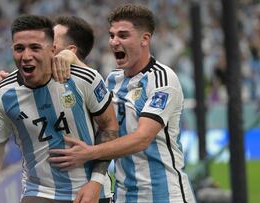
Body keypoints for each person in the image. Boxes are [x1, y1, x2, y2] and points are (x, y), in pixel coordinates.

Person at [0, 14, 118, 203]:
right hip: (39, 192)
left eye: (35, 48)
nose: (26, 56)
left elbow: (109, 127)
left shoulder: (83, 78)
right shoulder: (2, 93)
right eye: (19, 49)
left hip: (89, 191)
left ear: (52, 50)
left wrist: (96, 182)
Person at [48, 4, 196, 203]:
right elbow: (98, 115)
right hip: (125, 196)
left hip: (164, 195)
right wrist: (11, 82)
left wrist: (89, 153)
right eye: (112, 35)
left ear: (145, 39)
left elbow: (142, 139)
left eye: (123, 36)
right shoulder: (113, 79)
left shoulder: (162, 80)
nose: (114, 42)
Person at [0, 15, 93, 91]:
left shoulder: (85, 87)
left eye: (52, 41)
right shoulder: (22, 84)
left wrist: (77, 63)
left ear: (70, 52)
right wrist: (7, 92)